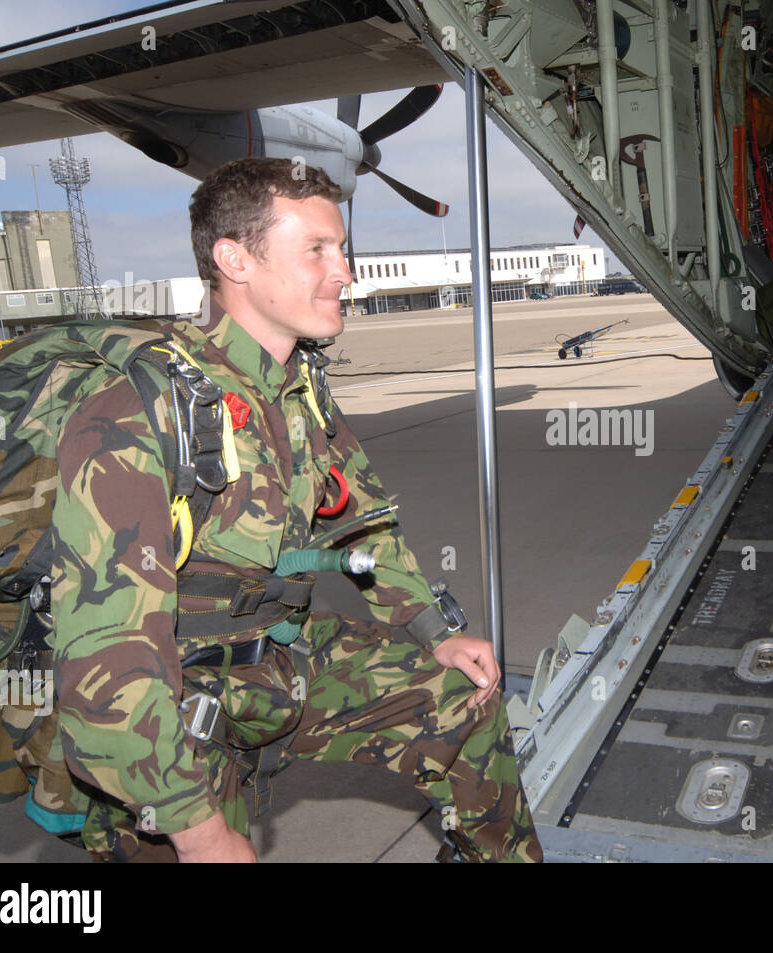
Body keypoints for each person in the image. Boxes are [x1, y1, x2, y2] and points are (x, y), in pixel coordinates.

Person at [46, 157, 542, 861]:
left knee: (464, 703)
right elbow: (108, 673)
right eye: (317, 249)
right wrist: (200, 832)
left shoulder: (296, 387)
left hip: (281, 655)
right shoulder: (137, 412)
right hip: (171, 700)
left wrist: (431, 629)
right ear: (235, 260)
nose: (345, 271)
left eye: (342, 248)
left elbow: (362, 519)